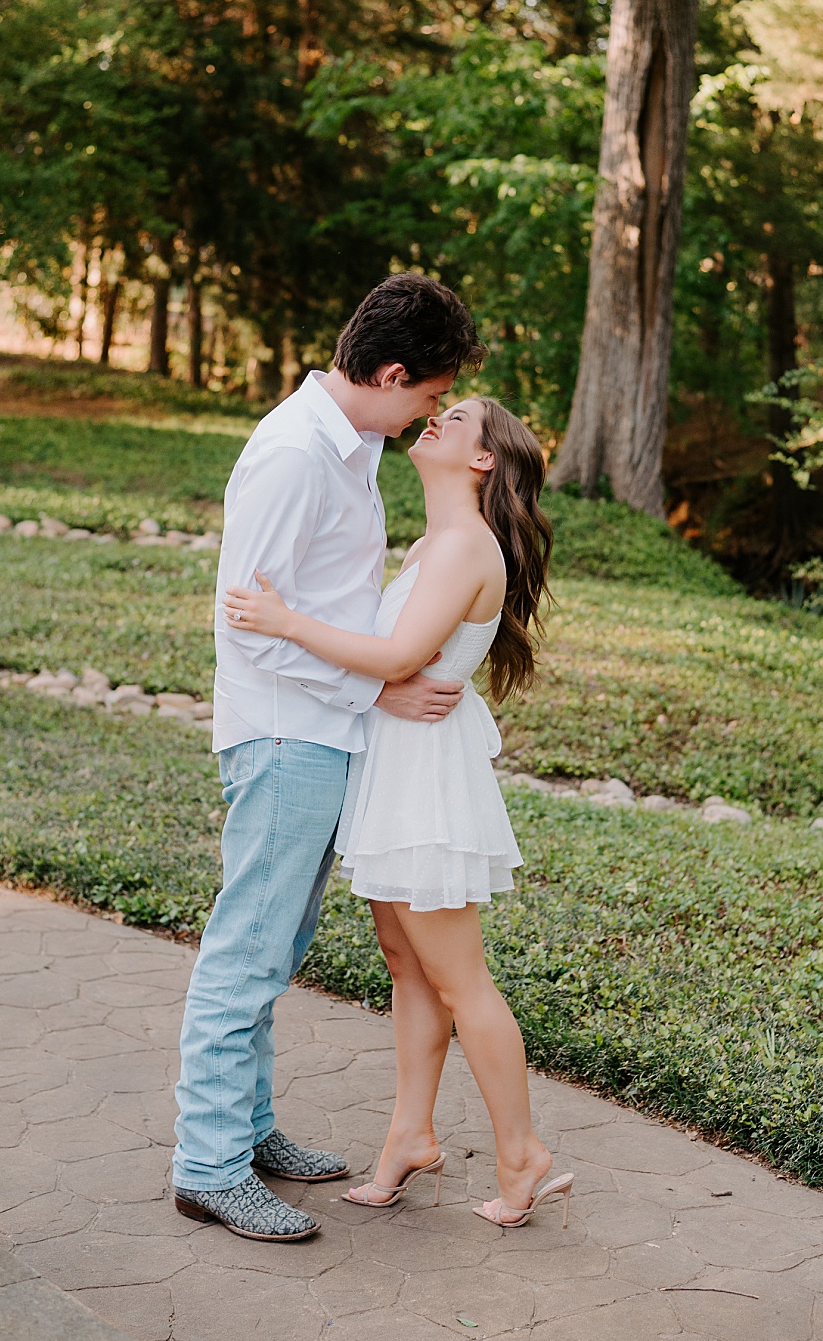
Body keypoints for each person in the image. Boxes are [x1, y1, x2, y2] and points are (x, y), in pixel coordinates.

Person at [172, 274, 483, 1242]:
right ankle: (207, 1164)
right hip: (284, 731)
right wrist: (376, 688)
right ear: (391, 373)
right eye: (430, 394)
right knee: (248, 949)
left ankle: (251, 1130)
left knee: (279, 944)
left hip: (320, 729)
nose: (432, 411)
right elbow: (250, 628)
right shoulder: (296, 455)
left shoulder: (347, 449)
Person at [222, 396, 571, 1230]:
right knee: (407, 964)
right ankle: (409, 1136)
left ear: (483, 459)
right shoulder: (434, 544)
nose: (436, 420)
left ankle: (521, 1153)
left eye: (455, 417)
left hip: (425, 787)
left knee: (460, 976)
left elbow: (397, 657)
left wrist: (282, 620)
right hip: (394, 768)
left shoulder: (463, 547)